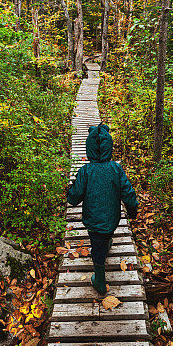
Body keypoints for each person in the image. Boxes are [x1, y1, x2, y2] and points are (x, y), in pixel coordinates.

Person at [66, 123, 138, 295]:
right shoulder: (115, 168)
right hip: (112, 218)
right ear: (109, 147)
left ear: (89, 148)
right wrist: (133, 209)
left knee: (97, 247)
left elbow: (74, 198)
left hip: (92, 221)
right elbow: (128, 192)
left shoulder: (86, 171)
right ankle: (104, 250)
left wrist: (70, 191)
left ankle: (99, 279)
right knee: (105, 236)